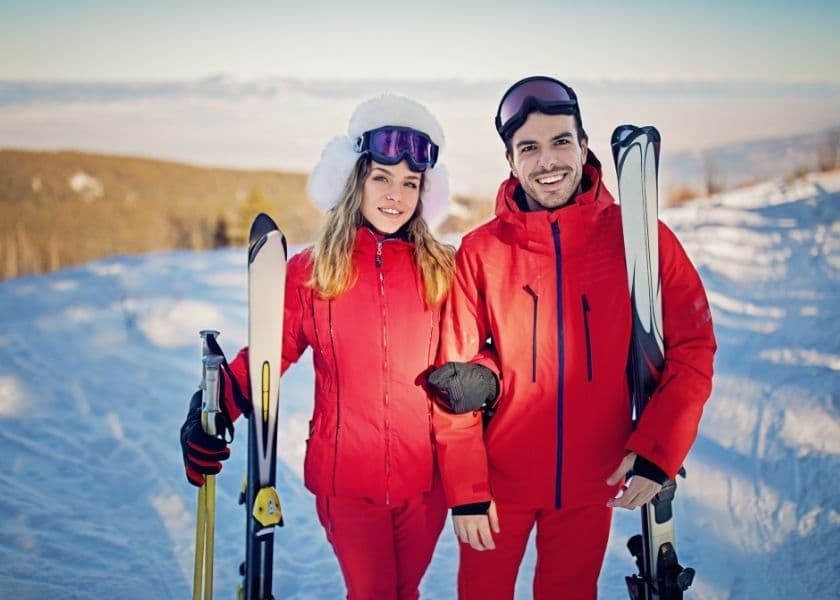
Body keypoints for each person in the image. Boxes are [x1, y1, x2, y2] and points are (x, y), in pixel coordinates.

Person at [426, 76, 717, 599]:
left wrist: (658, 449)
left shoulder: (638, 237)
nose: (548, 161)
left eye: (561, 141)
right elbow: (454, 378)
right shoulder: (480, 252)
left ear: (584, 146)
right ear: (511, 162)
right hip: (500, 485)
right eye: (529, 148)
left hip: (592, 484)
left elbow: (692, 345)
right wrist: (467, 490)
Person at [180, 94, 456, 599]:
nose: (396, 194)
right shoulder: (312, 272)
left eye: (410, 183)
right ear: (356, 181)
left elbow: (480, 349)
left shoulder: (442, 269)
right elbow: (269, 354)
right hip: (346, 480)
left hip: (426, 481)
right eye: (382, 178)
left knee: (405, 591)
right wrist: (212, 407)